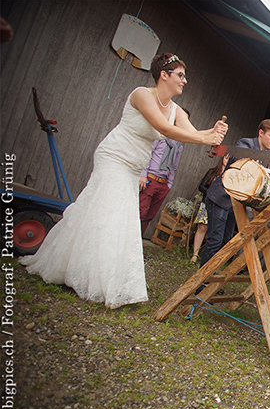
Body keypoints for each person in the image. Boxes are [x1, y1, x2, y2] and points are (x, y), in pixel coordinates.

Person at [20, 53, 227, 308]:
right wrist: (205, 138)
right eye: (180, 75)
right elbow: (164, 129)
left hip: (133, 166)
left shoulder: (175, 109)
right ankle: (90, 276)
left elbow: (193, 133)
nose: (185, 81)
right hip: (114, 157)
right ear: (164, 74)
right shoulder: (141, 94)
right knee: (108, 214)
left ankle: (92, 270)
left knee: (113, 217)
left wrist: (214, 131)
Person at [199, 119, 270, 268]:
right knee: (215, 241)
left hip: (235, 203)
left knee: (226, 242)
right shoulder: (245, 144)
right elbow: (242, 163)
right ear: (261, 133)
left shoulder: (269, 154)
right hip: (220, 197)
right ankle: (200, 284)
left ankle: (209, 280)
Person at [138, 107, 190, 236]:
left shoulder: (179, 144)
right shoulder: (159, 135)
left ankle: (137, 246)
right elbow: (147, 153)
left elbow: (174, 166)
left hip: (163, 184)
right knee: (140, 212)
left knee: (149, 216)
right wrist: (143, 175)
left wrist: (169, 185)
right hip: (150, 179)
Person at [190, 153, 229, 263]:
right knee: (202, 228)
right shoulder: (212, 172)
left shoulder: (231, 175)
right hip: (207, 203)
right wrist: (211, 193)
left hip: (220, 206)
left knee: (215, 232)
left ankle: (207, 258)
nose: (227, 160)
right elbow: (201, 186)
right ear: (222, 158)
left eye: (229, 159)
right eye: (226, 157)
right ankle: (195, 254)